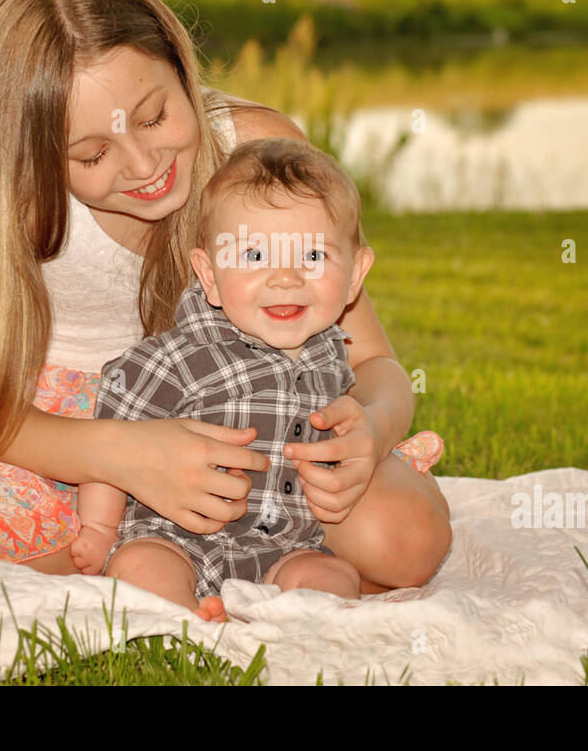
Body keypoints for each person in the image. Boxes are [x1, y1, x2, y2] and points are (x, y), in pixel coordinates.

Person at [0, 0, 450, 594]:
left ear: (178, 63)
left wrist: (370, 426)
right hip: (62, 439)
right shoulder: (22, 207)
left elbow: (375, 364)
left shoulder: (255, 157)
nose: (144, 164)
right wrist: (129, 456)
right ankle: (165, 561)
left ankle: (182, 568)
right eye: (92, 154)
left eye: (154, 116)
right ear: (34, 158)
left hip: (262, 413)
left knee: (405, 535)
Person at [73, 138, 441, 621]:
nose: (284, 278)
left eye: (312, 257)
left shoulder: (332, 358)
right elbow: (113, 425)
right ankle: (188, 620)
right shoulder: (182, 356)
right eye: (253, 257)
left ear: (355, 276)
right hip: (175, 535)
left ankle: (294, 627)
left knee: (333, 581)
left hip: (287, 544)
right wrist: (100, 528)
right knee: (140, 570)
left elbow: (361, 410)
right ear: (208, 273)